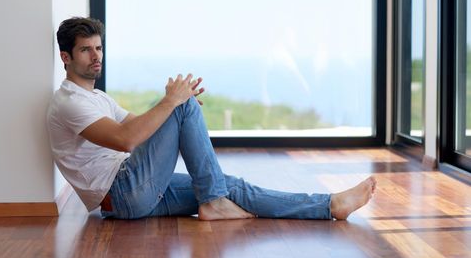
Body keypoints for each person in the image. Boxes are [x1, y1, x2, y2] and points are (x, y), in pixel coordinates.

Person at [46, 17, 377, 221]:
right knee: (183, 107)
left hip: (137, 191)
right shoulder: (69, 102)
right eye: (86, 50)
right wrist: (175, 103)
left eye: (99, 49)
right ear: (66, 57)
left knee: (229, 185)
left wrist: (174, 107)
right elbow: (126, 139)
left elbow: (144, 129)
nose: (96, 57)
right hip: (123, 194)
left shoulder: (97, 97)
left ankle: (330, 205)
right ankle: (214, 202)